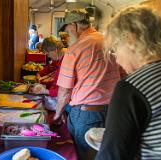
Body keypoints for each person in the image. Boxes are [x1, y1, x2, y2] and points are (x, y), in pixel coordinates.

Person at [96, 7, 161, 160]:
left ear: (130, 39)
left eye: (115, 48)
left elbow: (112, 156)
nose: (117, 60)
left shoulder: (132, 87)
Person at [54, 9, 123, 160]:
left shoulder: (74, 50)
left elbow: (64, 92)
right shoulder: (110, 42)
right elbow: (124, 75)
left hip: (87, 115)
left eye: (67, 30)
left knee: (84, 156)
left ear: (74, 25)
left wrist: (57, 114)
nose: (67, 34)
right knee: (106, 155)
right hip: (113, 112)